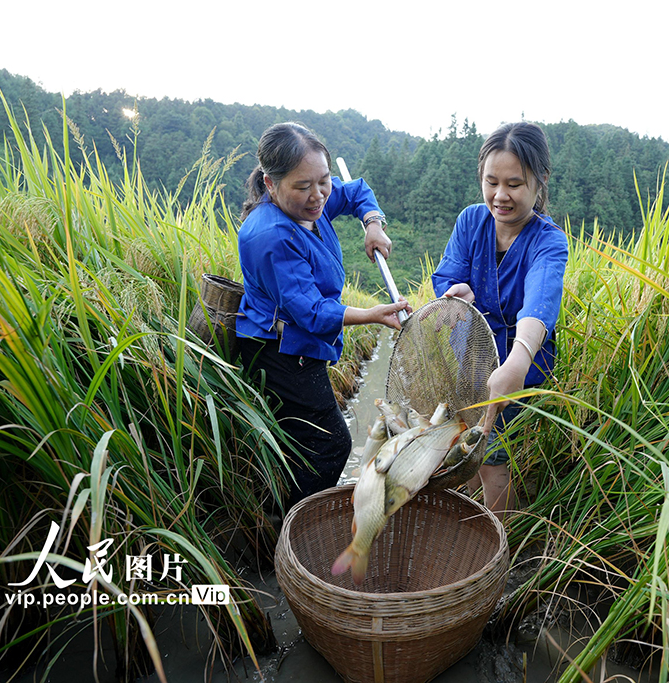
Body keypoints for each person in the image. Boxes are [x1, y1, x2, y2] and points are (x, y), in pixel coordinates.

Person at [237, 122, 410, 511]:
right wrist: (371, 314)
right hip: (278, 353)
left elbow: (358, 191)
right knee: (331, 444)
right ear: (270, 184)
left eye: (324, 181)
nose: (318, 196)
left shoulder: (310, 205)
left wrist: (372, 224)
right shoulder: (270, 235)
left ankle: (286, 515)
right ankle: (287, 528)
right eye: (303, 186)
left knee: (305, 441)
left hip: (303, 347)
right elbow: (310, 311)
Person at [431, 122, 568, 517]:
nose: (500, 195)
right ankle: (468, 523)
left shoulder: (547, 241)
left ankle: (499, 542)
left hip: (518, 370)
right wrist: (459, 293)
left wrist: (518, 359)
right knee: (466, 453)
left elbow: (538, 304)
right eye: (491, 182)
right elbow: (448, 274)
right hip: (470, 362)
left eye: (514, 184)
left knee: (495, 464)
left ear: (540, 181)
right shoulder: (471, 222)